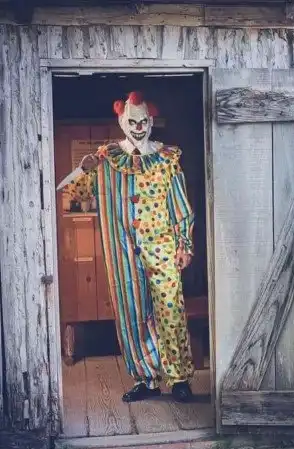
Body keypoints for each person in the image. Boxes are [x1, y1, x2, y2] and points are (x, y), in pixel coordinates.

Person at [60, 91, 196, 404]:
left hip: (162, 248)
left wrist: (184, 244)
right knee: (132, 312)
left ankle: (179, 378)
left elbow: (180, 205)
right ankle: (146, 378)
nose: (138, 127)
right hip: (122, 252)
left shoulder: (166, 158)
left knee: (171, 310)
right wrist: (84, 169)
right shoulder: (107, 158)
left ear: (151, 122)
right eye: (132, 121)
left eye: (143, 121)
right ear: (122, 122)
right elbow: (76, 194)